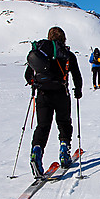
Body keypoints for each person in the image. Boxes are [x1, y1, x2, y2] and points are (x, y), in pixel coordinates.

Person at [25, 26, 83, 176]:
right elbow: (77, 75)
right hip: (61, 93)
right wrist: (78, 90)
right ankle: (64, 150)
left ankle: (36, 151)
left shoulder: (40, 53)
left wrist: (35, 83)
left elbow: (28, 75)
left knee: (43, 126)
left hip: (43, 94)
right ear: (63, 39)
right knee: (64, 122)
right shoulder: (68, 54)